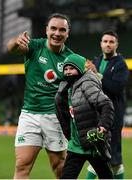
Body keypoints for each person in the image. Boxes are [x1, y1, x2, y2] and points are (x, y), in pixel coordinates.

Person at [7, 13, 74, 179]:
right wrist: (15, 42)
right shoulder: (35, 46)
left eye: (62, 30)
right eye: (53, 28)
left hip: (56, 117)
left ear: (67, 33)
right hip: (30, 114)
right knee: (22, 166)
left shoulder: (71, 58)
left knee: (59, 167)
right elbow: (12, 48)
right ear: (46, 30)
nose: (57, 33)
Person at [55, 53, 114, 179]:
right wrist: (69, 136)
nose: (68, 72)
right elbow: (64, 115)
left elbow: (106, 104)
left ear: (80, 69)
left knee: (106, 177)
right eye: (66, 69)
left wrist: (103, 125)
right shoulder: (67, 88)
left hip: (93, 144)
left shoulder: (87, 84)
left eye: (72, 68)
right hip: (76, 145)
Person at [85, 30, 129, 179]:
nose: (108, 44)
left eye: (111, 42)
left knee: (114, 156)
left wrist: (97, 74)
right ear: (101, 43)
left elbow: (116, 88)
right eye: (105, 41)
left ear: (116, 44)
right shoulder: (96, 61)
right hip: (96, 114)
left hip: (113, 115)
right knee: (95, 152)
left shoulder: (121, 65)